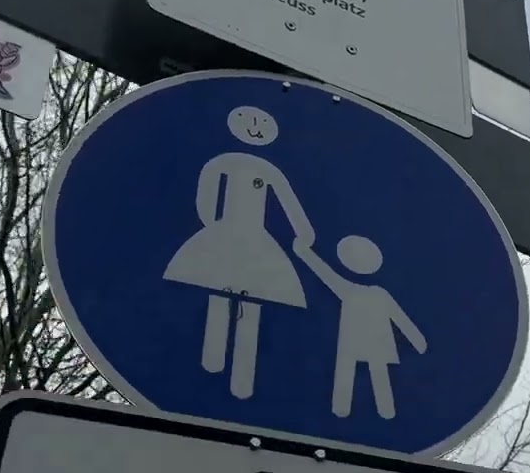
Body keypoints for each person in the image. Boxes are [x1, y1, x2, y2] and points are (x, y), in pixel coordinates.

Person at [163, 106, 314, 400]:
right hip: (225, 233)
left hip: (255, 239)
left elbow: (288, 201)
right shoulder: (222, 162)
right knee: (219, 292)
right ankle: (211, 365)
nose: (255, 127)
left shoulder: (268, 170)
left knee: (254, 298)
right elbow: (206, 195)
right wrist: (211, 227)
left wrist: (304, 233)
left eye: (261, 123)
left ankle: (243, 376)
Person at [292, 235, 427, 419]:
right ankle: (347, 410)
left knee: (371, 374)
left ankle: (383, 412)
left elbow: (400, 318)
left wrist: (418, 341)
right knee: (356, 372)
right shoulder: (357, 291)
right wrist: (304, 253)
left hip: (370, 342)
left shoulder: (363, 292)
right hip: (362, 341)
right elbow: (325, 273)